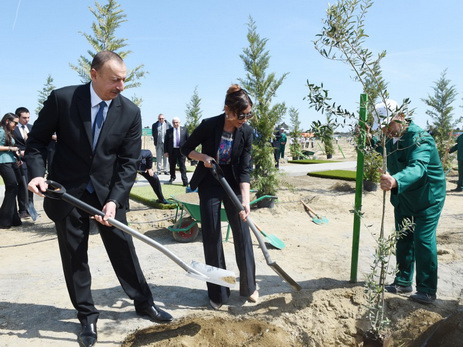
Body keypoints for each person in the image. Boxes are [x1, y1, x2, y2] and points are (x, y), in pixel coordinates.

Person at [25, 51, 173, 347]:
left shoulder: (130, 112)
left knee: (124, 250)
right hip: (66, 194)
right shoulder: (63, 99)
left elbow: (129, 162)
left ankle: (144, 302)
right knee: (75, 258)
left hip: (107, 197)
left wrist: (115, 200)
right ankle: (87, 317)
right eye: (115, 79)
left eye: (124, 80)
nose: (121, 86)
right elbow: (37, 141)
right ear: (93, 74)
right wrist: (37, 174)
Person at [181, 84, 258, 310]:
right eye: (241, 114)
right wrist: (203, 156)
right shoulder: (209, 125)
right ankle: (218, 291)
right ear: (228, 110)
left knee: (243, 234)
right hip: (210, 183)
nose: (245, 118)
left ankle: (249, 287)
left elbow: (245, 168)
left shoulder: (246, 131)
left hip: (233, 184)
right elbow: (185, 149)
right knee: (213, 236)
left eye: (249, 114)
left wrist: (245, 200)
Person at [371, 99, 446, 305]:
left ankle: (427, 289)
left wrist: (395, 180)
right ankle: (403, 281)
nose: (386, 130)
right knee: (403, 237)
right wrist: (366, 138)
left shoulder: (420, 139)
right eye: (382, 127)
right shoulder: (390, 137)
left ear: (401, 117)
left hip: (427, 197)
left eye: (388, 125)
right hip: (404, 197)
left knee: (422, 240)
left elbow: (418, 167)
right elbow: (379, 148)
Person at [0, 113, 22, 228]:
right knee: (12, 186)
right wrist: (10, 148)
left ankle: (13, 218)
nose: (16, 125)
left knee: (14, 188)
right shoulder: (1, 131)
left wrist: (17, 157)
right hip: (3, 162)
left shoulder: (9, 132)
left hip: (11, 161)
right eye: (15, 123)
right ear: (8, 121)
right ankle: (3, 219)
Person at [13, 107, 34, 219]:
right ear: (18, 117)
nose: (27, 120)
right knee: (23, 184)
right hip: (20, 160)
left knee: (32, 184)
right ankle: (22, 210)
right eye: (24, 118)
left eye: (28, 117)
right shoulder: (13, 129)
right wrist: (18, 152)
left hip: (32, 159)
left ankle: (31, 209)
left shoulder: (31, 128)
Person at [164, 117, 189, 186]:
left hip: (181, 151)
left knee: (182, 166)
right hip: (172, 151)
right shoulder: (169, 131)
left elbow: (188, 140)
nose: (175, 124)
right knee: (172, 165)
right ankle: (172, 177)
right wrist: (165, 151)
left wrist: (188, 150)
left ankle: (185, 180)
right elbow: (166, 142)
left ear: (179, 123)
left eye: (177, 122)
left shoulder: (184, 130)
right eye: (174, 122)